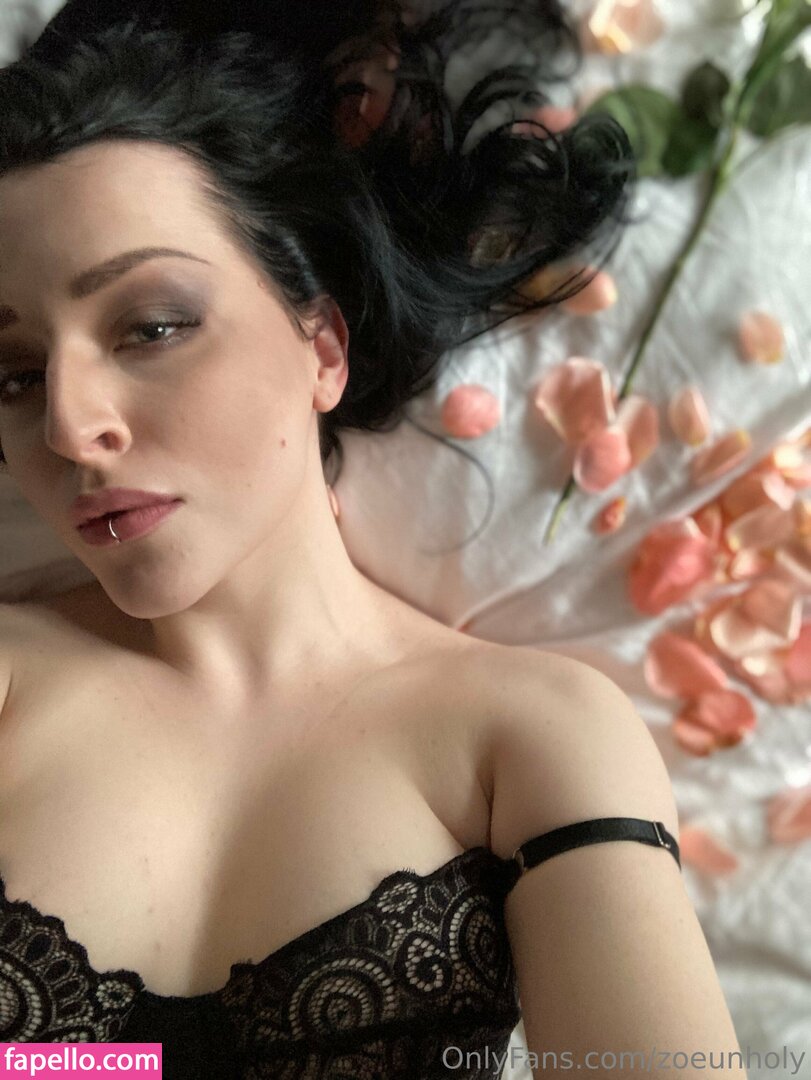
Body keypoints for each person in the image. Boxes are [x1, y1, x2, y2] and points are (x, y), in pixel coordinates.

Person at [0, 1, 746, 1077]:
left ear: (322, 346)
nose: (70, 428)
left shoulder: (528, 737)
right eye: (16, 376)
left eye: (152, 326)